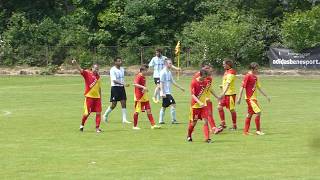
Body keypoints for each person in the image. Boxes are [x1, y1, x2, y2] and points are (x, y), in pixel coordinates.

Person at [237, 62, 270, 135]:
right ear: (252, 69)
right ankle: (258, 131)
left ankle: (245, 132)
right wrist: (239, 98)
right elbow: (242, 87)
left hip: (254, 98)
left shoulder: (255, 77)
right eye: (256, 69)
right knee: (258, 112)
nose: (257, 70)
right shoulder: (247, 76)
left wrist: (266, 96)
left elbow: (259, 88)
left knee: (249, 114)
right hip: (250, 98)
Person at [72, 59, 102, 133]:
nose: (96, 70)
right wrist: (75, 63)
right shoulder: (87, 73)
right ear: (92, 68)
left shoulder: (98, 77)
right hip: (89, 97)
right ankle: (82, 125)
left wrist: (100, 97)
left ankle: (97, 128)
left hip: (97, 98)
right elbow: (80, 69)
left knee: (98, 112)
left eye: (97, 69)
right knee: (87, 113)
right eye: (95, 68)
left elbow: (99, 88)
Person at [192, 62, 222, 134]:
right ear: (202, 68)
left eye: (208, 68)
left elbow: (210, 88)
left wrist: (217, 96)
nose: (208, 70)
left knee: (209, 114)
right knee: (196, 118)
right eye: (206, 68)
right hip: (198, 100)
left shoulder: (209, 78)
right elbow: (194, 89)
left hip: (207, 99)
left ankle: (213, 128)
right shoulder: (197, 76)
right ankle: (191, 131)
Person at [132, 64, 161, 130]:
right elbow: (135, 84)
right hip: (139, 97)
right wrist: (143, 87)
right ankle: (134, 126)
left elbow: (144, 85)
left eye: (147, 70)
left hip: (144, 96)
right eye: (146, 70)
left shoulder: (144, 77)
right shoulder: (139, 76)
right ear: (142, 70)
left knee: (148, 110)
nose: (147, 72)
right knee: (137, 111)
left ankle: (153, 125)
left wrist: (145, 89)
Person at [103, 57, 131, 124]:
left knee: (124, 102)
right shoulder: (112, 70)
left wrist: (124, 84)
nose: (120, 62)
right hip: (115, 88)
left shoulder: (122, 69)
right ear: (115, 62)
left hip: (121, 88)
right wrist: (123, 83)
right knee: (114, 105)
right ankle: (105, 115)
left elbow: (122, 78)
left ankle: (124, 119)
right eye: (119, 61)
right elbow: (114, 80)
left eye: (121, 61)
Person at [187, 69, 212, 143]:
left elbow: (210, 89)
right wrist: (199, 102)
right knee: (193, 123)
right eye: (204, 77)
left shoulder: (206, 82)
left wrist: (218, 96)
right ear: (200, 75)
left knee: (206, 121)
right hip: (195, 106)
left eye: (206, 77)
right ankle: (189, 135)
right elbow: (193, 95)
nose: (205, 78)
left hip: (203, 106)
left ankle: (207, 138)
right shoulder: (194, 82)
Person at [159, 58, 185, 124]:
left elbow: (172, 82)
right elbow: (161, 83)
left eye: (171, 63)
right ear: (166, 64)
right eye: (170, 63)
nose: (171, 65)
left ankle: (161, 120)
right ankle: (173, 120)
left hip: (168, 92)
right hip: (166, 93)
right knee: (173, 104)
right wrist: (162, 92)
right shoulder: (163, 72)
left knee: (164, 106)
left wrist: (180, 87)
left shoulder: (169, 72)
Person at [218, 58, 237, 130]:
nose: (223, 65)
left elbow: (228, 84)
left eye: (224, 64)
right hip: (225, 94)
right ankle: (223, 123)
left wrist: (223, 93)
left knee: (232, 110)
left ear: (228, 65)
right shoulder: (226, 72)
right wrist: (222, 86)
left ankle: (234, 125)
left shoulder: (231, 72)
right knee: (219, 107)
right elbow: (226, 83)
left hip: (230, 94)